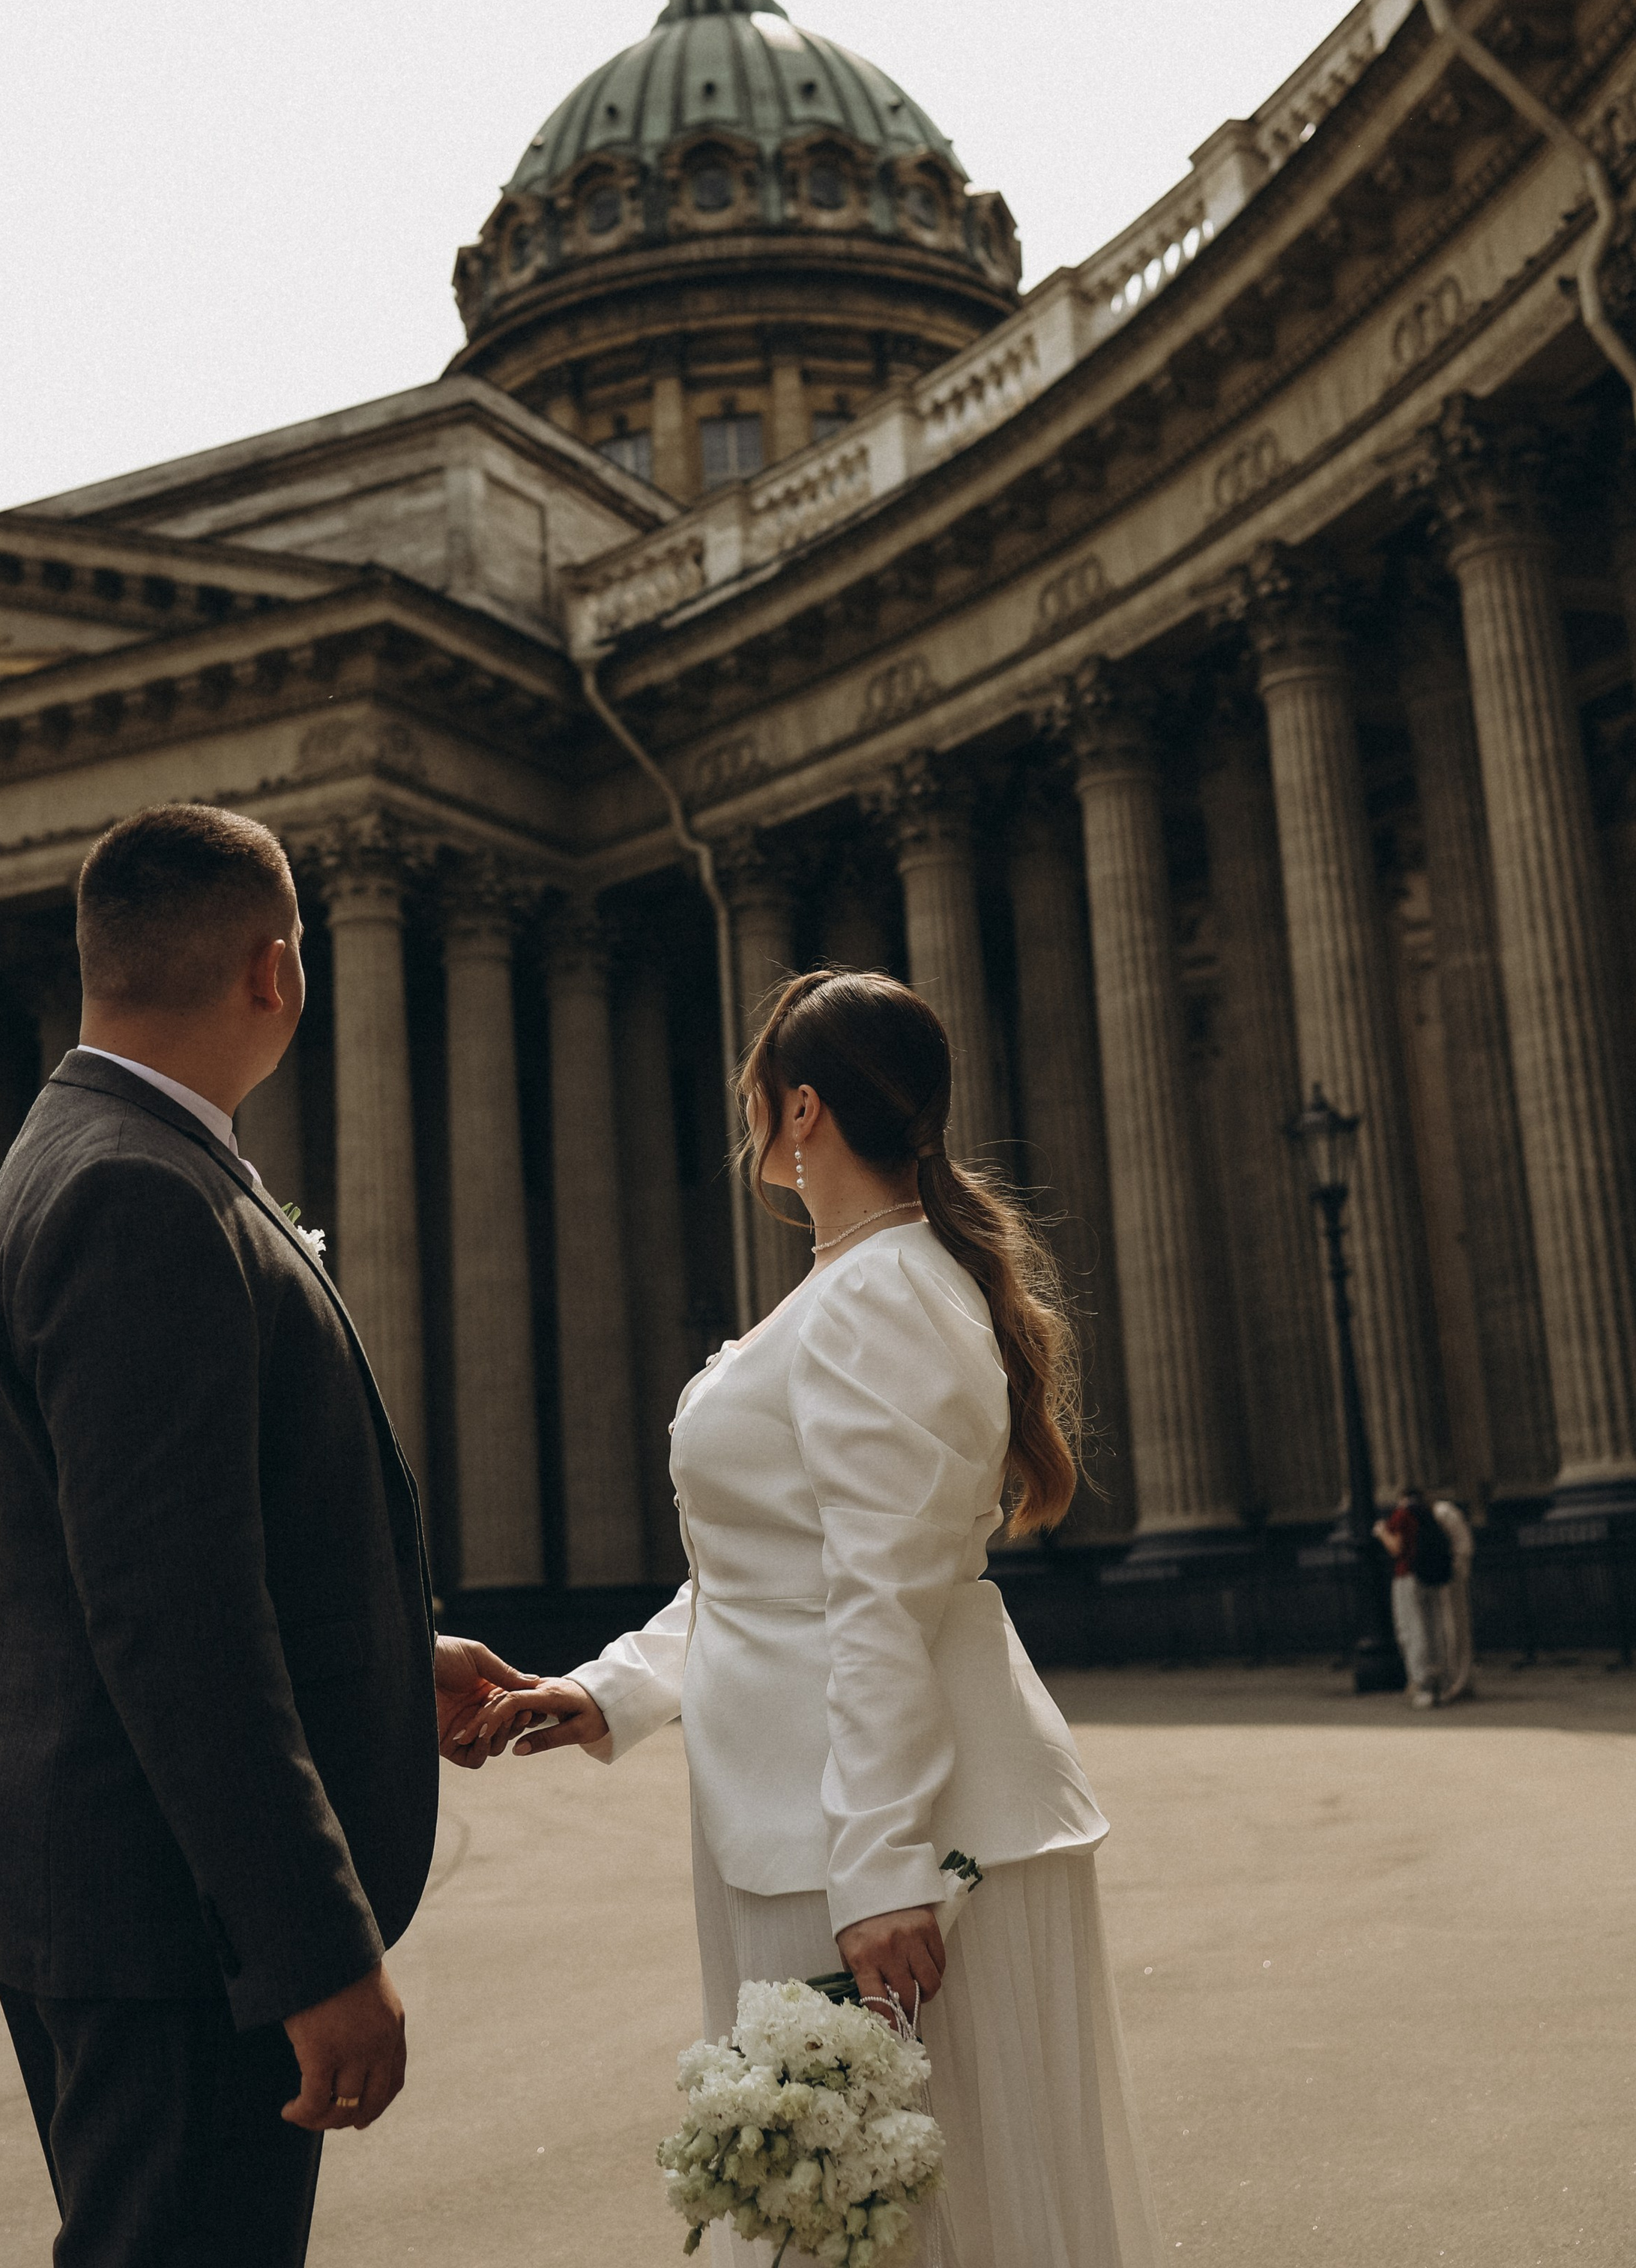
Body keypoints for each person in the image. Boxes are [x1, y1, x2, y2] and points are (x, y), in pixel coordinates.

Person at [0, 803, 531, 2268]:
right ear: (277, 974)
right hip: (176, 1926)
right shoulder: (139, 1190)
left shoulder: (94, 1149)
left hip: (131, 1902)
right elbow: (171, 1617)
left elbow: (151, 1551)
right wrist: (309, 1948)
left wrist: (386, 1656)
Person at [469, 969, 1162, 2268]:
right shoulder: (861, 1285)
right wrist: (609, 1689)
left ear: (800, 1111)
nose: (750, 1131)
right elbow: (765, 1570)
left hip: (891, 1846)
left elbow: (883, 1597)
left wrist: (886, 1867)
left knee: (916, 2230)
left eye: (756, 1104)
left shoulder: (882, 1295)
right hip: (832, 1829)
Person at [1374, 1487, 1444, 1708]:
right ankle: (1437, 1680)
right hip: (1429, 1576)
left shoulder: (1402, 1515)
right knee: (1431, 1628)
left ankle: (1422, 1685)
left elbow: (1397, 1548)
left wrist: (1382, 1532)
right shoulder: (1426, 1514)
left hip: (1407, 1576)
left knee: (1412, 1631)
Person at [1428, 1495, 1477, 1702]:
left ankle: (1460, 1680)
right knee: (1446, 1630)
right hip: (1443, 1576)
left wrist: (1455, 1569)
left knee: (1454, 1628)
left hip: (1450, 1577)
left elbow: (1463, 1547)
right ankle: (1452, 1679)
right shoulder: (1438, 1513)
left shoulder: (1443, 1512)